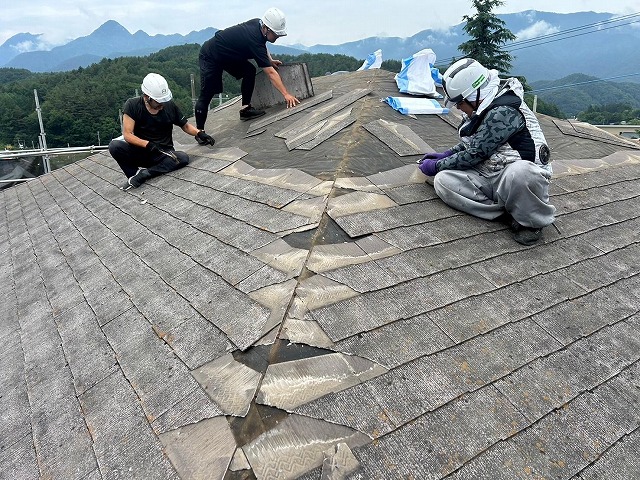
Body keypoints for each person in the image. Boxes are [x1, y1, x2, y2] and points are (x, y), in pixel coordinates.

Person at [418, 58, 556, 246]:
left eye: (459, 102)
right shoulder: (483, 107)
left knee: (521, 173)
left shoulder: (505, 111)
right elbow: (473, 144)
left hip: (516, 180)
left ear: (473, 95)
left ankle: (530, 222)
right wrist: (447, 154)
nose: (458, 107)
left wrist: (436, 165)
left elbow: (475, 153)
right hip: (491, 173)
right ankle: (507, 213)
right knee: (444, 182)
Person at [195, 6, 300, 129]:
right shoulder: (254, 38)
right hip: (211, 55)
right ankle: (199, 132)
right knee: (207, 93)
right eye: (276, 34)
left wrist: (269, 60)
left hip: (228, 55)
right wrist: (286, 94)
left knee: (249, 70)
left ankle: (245, 110)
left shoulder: (258, 25)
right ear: (266, 29)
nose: (277, 38)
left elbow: (262, 43)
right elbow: (270, 73)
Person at [109, 73, 215, 190]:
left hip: (163, 154)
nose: (161, 105)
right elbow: (127, 134)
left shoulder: (169, 105)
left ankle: (145, 174)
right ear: (146, 97)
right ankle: (134, 175)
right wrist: (147, 144)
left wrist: (199, 133)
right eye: (158, 103)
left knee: (183, 158)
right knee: (115, 146)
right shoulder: (132, 105)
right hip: (142, 151)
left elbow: (184, 125)